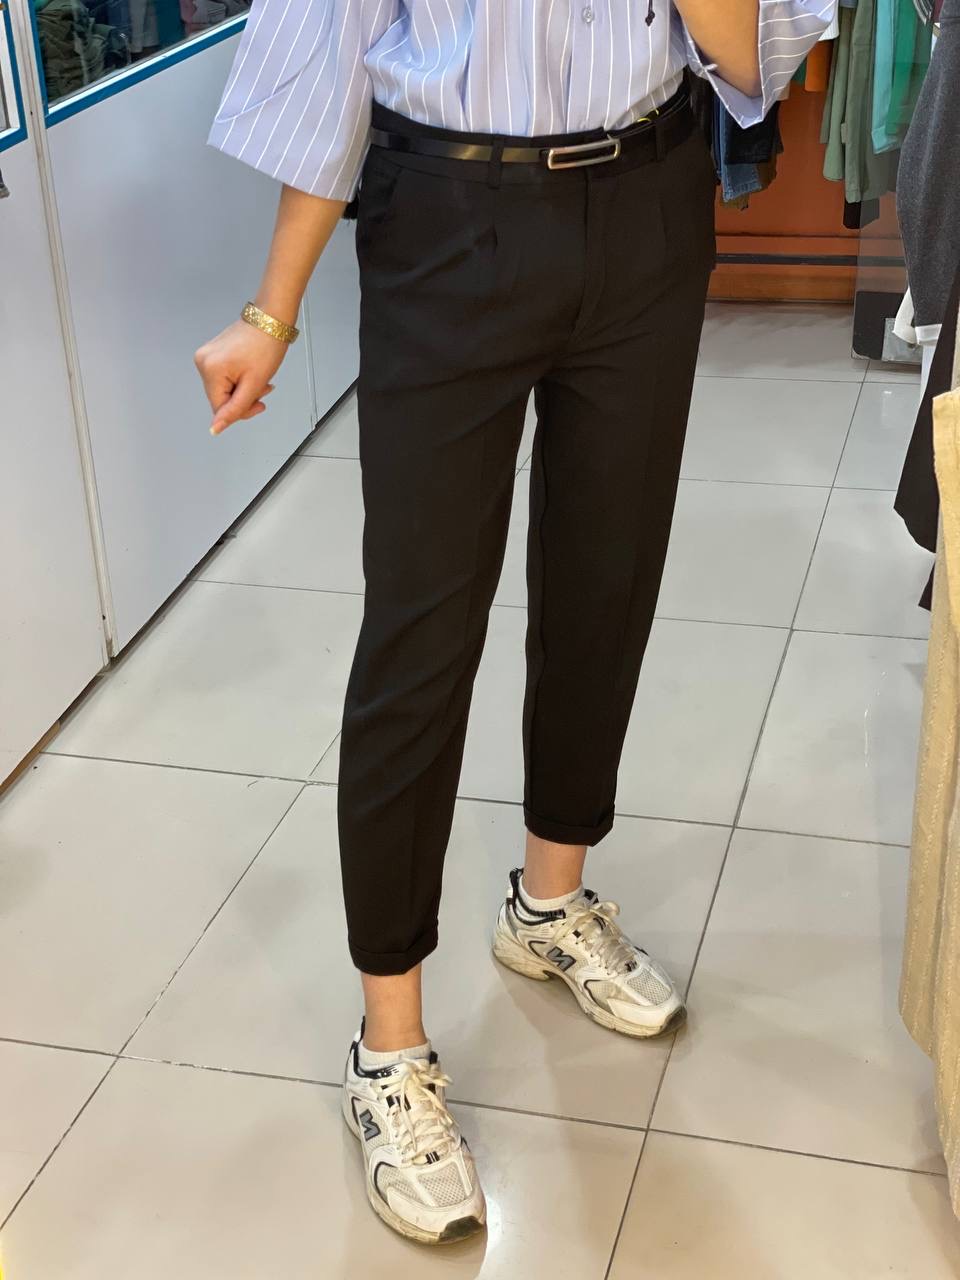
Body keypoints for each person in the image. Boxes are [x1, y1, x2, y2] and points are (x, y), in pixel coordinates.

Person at [195, 0, 836, 1246]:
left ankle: (551, 900)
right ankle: (390, 1045)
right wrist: (271, 310)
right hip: (450, 215)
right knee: (421, 631)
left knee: (608, 582)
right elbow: (322, 56)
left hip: (649, 205)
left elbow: (750, 55)